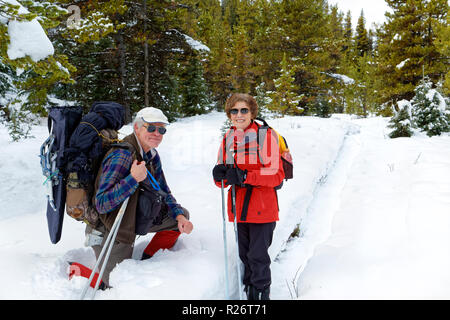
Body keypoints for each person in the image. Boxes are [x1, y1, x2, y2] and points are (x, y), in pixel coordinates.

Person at [77, 106, 193, 289]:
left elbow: (164, 191)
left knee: (180, 216)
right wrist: (133, 179)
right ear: (137, 128)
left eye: (161, 129)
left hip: (134, 216)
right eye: (151, 128)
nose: (157, 133)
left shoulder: (152, 155)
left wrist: (179, 216)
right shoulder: (121, 155)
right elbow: (101, 204)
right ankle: (77, 271)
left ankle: (147, 259)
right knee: (114, 284)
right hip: (110, 227)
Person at [212, 93, 284, 300]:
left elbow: (276, 174)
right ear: (229, 115)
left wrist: (245, 175)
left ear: (252, 113)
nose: (239, 114)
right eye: (234, 110)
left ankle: (261, 295)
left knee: (257, 256)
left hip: (262, 207)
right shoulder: (228, 138)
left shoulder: (265, 136)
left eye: (244, 110)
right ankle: (248, 291)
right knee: (245, 255)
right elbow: (224, 178)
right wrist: (219, 177)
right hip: (238, 208)